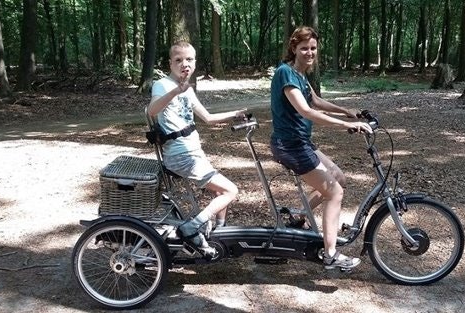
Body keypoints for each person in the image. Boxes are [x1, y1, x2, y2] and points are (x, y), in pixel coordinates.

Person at [269, 26, 372, 270]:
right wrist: (348, 124)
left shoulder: (300, 75)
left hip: (301, 142)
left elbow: (315, 100)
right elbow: (306, 110)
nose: (309, 52)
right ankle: (330, 254)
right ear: (293, 48)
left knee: (339, 178)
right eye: (304, 48)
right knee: (334, 193)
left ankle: (299, 218)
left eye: (313, 48)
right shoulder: (286, 73)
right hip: (290, 146)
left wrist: (348, 111)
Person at [147, 41, 246, 256]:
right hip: (181, 155)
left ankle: (220, 233)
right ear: (170, 63)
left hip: (193, 152)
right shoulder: (162, 85)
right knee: (231, 190)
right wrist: (175, 91)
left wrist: (234, 113)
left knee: (220, 190)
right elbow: (152, 110)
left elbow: (208, 118)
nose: (185, 64)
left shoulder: (188, 90)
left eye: (189, 59)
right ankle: (192, 227)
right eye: (179, 60)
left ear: (195, 62)